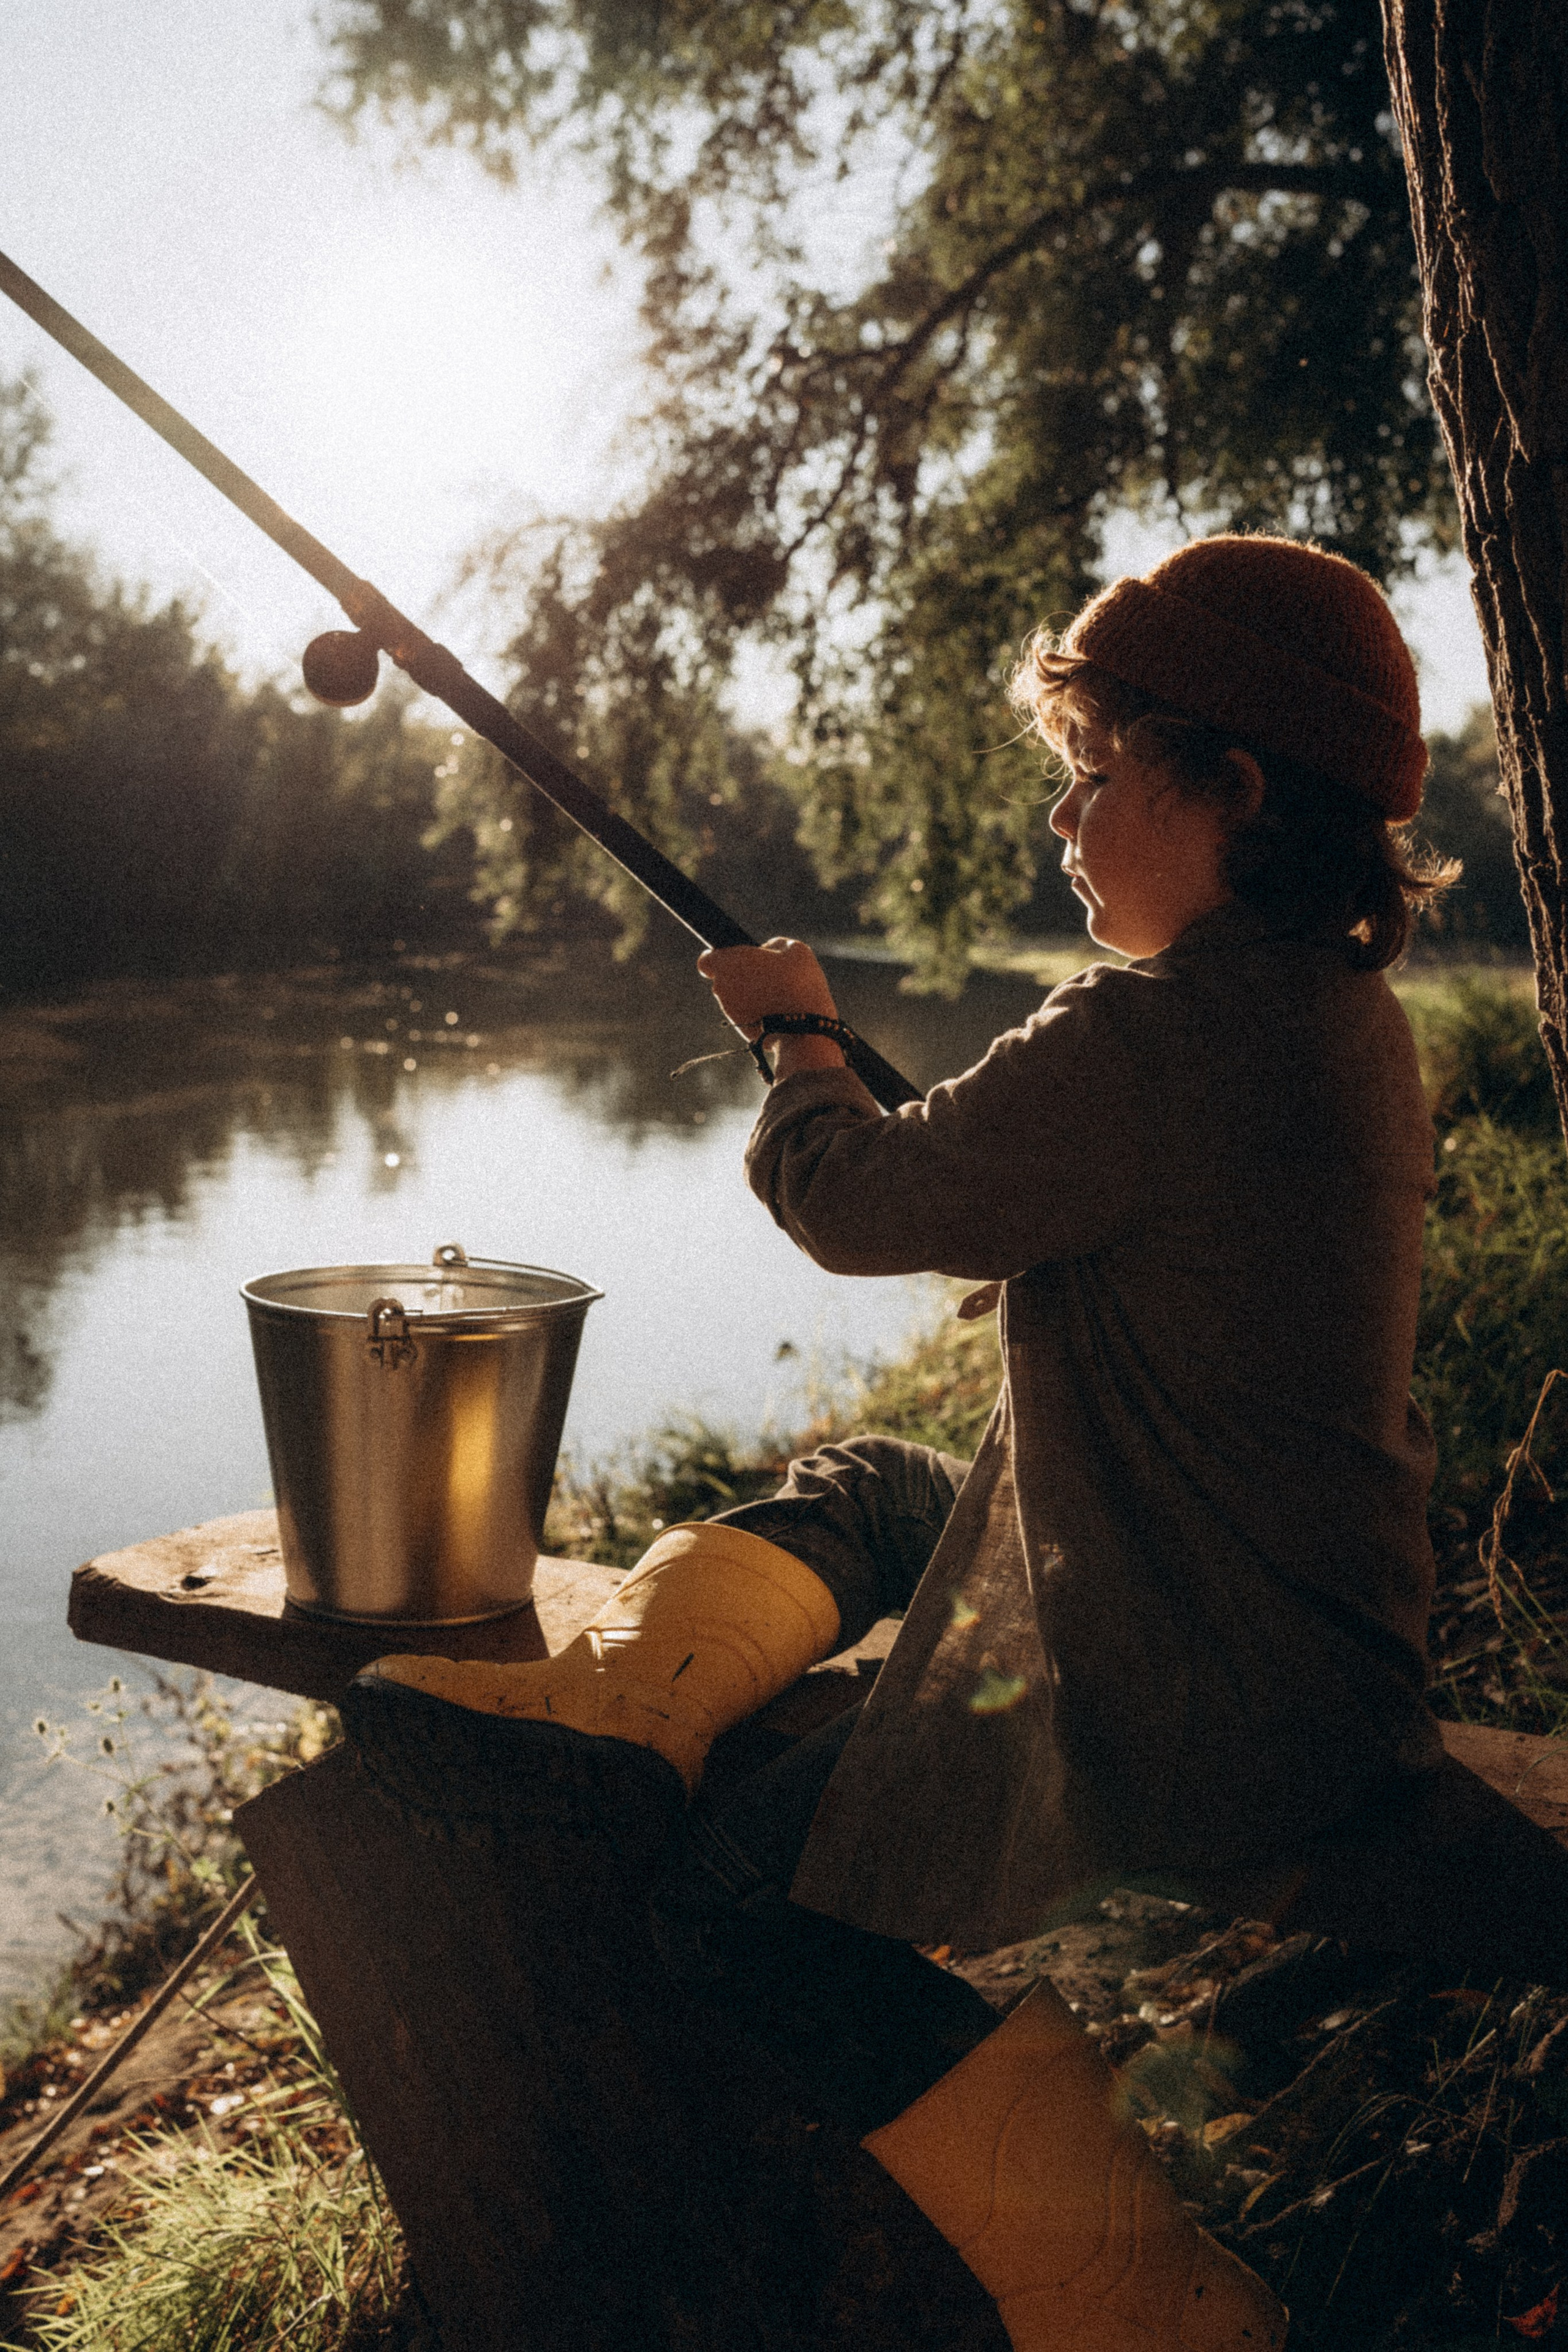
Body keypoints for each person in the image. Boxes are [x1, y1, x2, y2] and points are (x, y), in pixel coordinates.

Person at [359, 534, 1455, 2350]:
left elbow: (867, 1201)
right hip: (1307, 1638)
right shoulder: (1335, 1015)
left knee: (725, 1901)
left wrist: (795, 1039)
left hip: (1192, 1683)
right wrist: (853, 1076)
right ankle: (637, 1710)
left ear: (1237, 788)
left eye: (1097, 776)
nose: (1065, 818)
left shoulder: (1159, 1031)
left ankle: (1140, 2296)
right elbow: (1003, 1175)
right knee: (882, 1488)